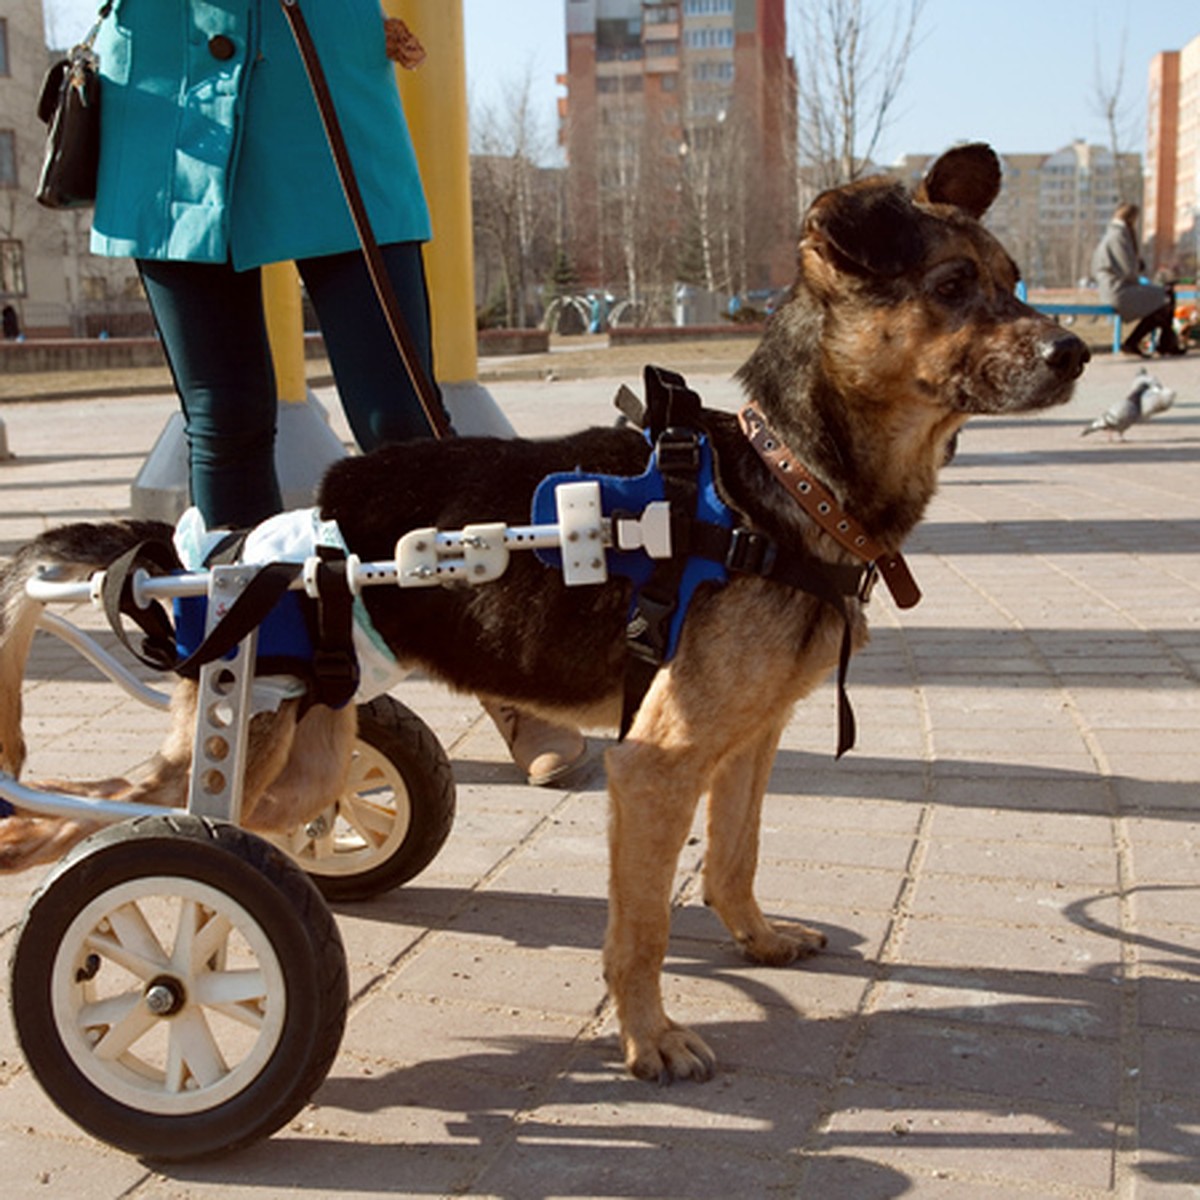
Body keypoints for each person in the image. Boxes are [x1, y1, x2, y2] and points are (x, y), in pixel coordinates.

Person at [90, 0, 586, 786]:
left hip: (316, 80)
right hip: (172, 98)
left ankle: (508, 679)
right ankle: (248, 691)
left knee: (404, 421)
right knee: (225, 420)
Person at [1091, 204, 1185, 358]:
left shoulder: (1116, 233)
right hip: (1117, 290)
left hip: (1116, 287)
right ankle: (1145, 343)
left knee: (1164, 298)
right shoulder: (1119, 236)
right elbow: (1128, 269)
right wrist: (1139, 266)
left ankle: (1161, 342)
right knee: (1165, 298)